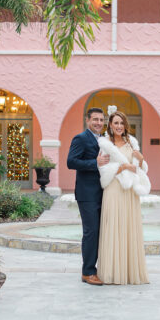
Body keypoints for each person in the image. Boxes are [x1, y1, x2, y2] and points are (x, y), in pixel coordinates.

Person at [97, 108, 150, 285]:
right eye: (115, 123)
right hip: (113, 188)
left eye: (121, 123)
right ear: (110, 125)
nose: (119, 126)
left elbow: (141, 170)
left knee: (128, 227)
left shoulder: (132, 144)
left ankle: (129, 272)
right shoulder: (104, 144)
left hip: (129, 192)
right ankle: (112, 272)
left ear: (125, 125)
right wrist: (120, 168)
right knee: (112, 226)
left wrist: (141, 160)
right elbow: (102, 168)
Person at [67, 107, 109, 286]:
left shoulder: (104, 140)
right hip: (87, 194)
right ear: (87, 120)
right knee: (91, 232)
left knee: (100, 232)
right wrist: (95, 163)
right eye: (95, 120)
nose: (99, 123)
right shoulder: (80, 138)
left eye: (101, 120)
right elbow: (71, 162)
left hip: (103, 193)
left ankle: (98, 268)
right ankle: (88, 272)